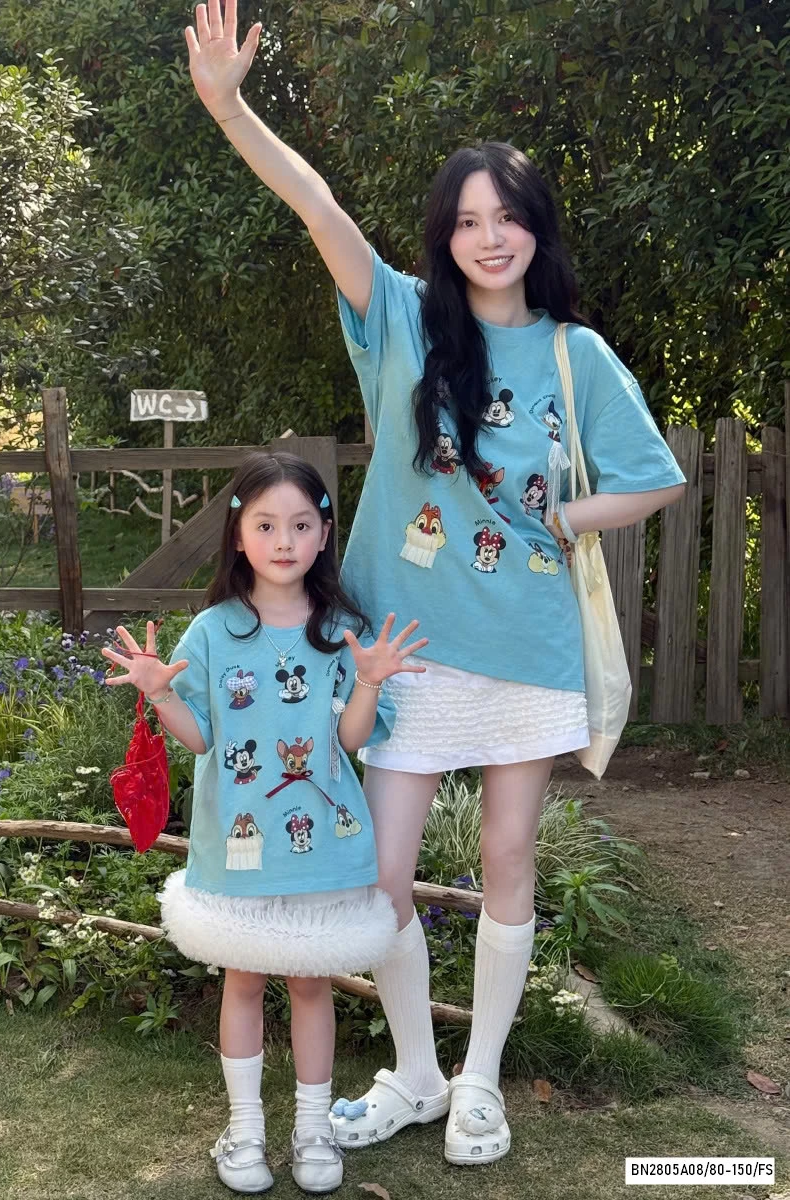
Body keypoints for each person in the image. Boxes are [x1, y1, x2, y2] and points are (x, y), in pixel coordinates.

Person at [183, 0, 686, 1167]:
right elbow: (319, 207)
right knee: (382, 878)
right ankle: (416, 1073)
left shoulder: (575, 353)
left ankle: (481, 1085)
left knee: (508, 861)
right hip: (398, 648)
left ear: (535, 230)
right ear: (443, 237)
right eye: (467, 220)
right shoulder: (401, 320)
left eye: (507, 217)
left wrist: (570, 515)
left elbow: (654, 478)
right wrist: (231, 109)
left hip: (526, 646)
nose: (488, 237)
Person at [102, 451, 427, 1194]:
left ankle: (314, 1133)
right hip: (238, 845)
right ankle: (245, 1130)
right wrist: (159, 693)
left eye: (301, 525)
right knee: (243, 979)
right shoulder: (211, 632)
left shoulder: (343, 629)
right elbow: (201, 739)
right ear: (238, 534)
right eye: (266, 524)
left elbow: (351, 741)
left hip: (324, 845)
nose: (285, 540)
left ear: (324, 534)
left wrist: (368, 681)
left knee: (311, 984)